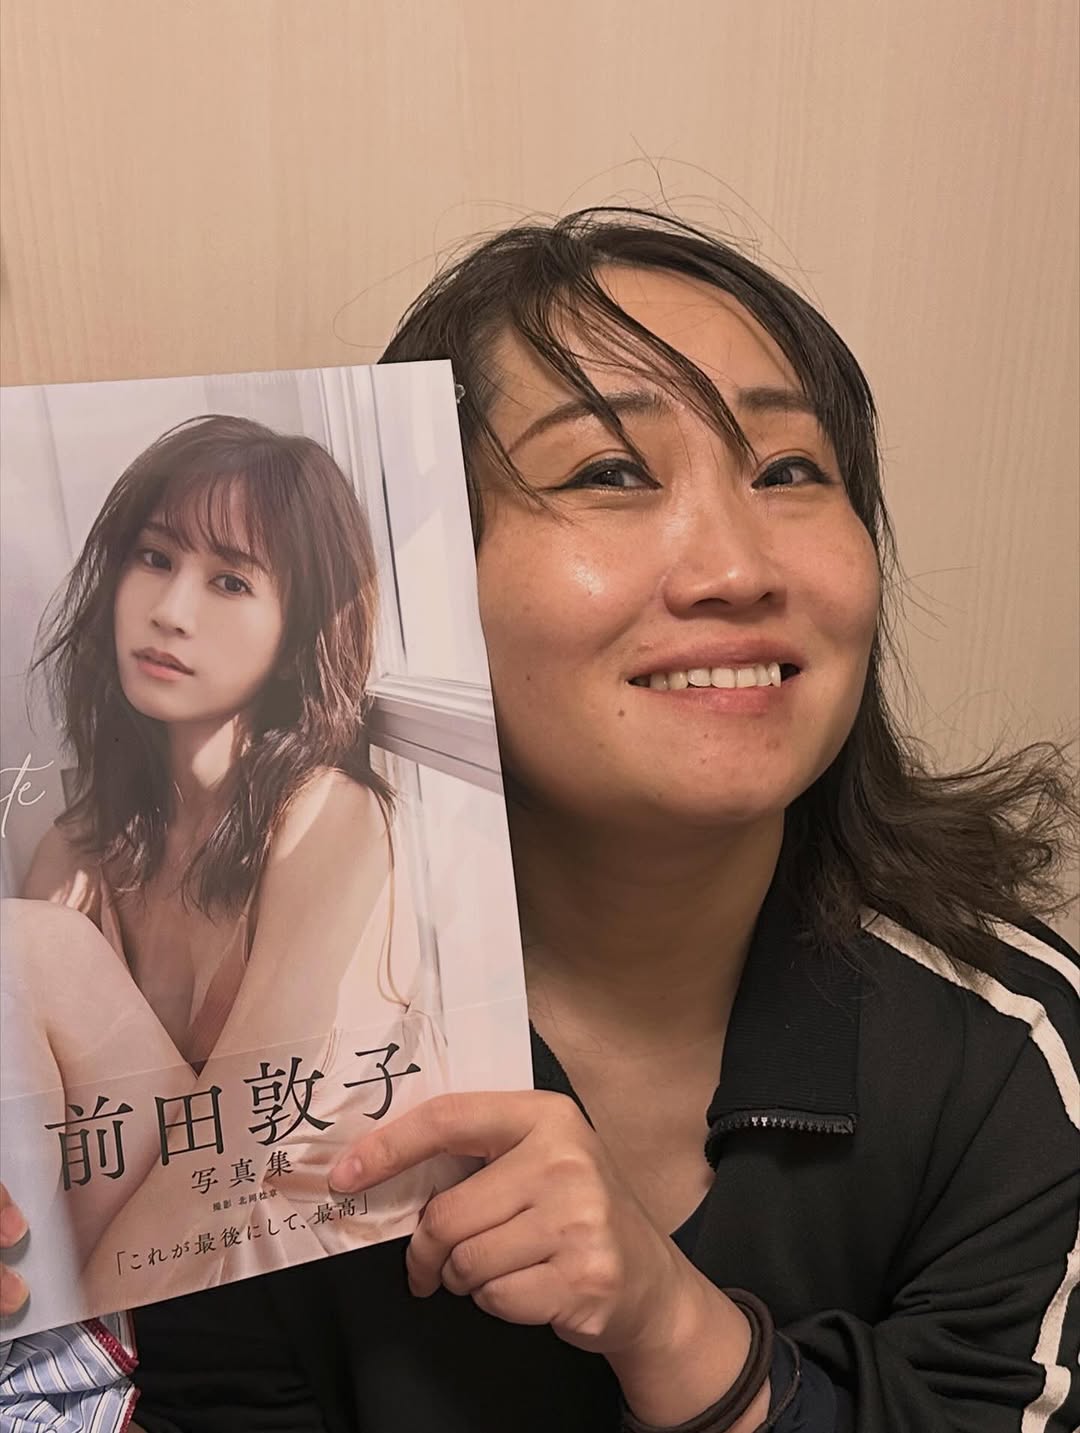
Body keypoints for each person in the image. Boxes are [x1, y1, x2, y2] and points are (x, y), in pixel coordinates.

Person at [13, 208, 1080, 1432]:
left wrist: (686, 1340)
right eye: (610, 473)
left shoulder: (1006, 1050)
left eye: (789, 470)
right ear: (427, 583)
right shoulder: (317, 1033)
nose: (737, 567)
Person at [0, 417, 450, 1408]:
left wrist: (56, 1355)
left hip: (297, 1299)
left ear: (299, 629)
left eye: (231, 581)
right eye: (155, 558)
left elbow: (239, 1139)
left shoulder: (325, 815)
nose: (169, 610)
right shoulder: (81, 849)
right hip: (141, 1309)